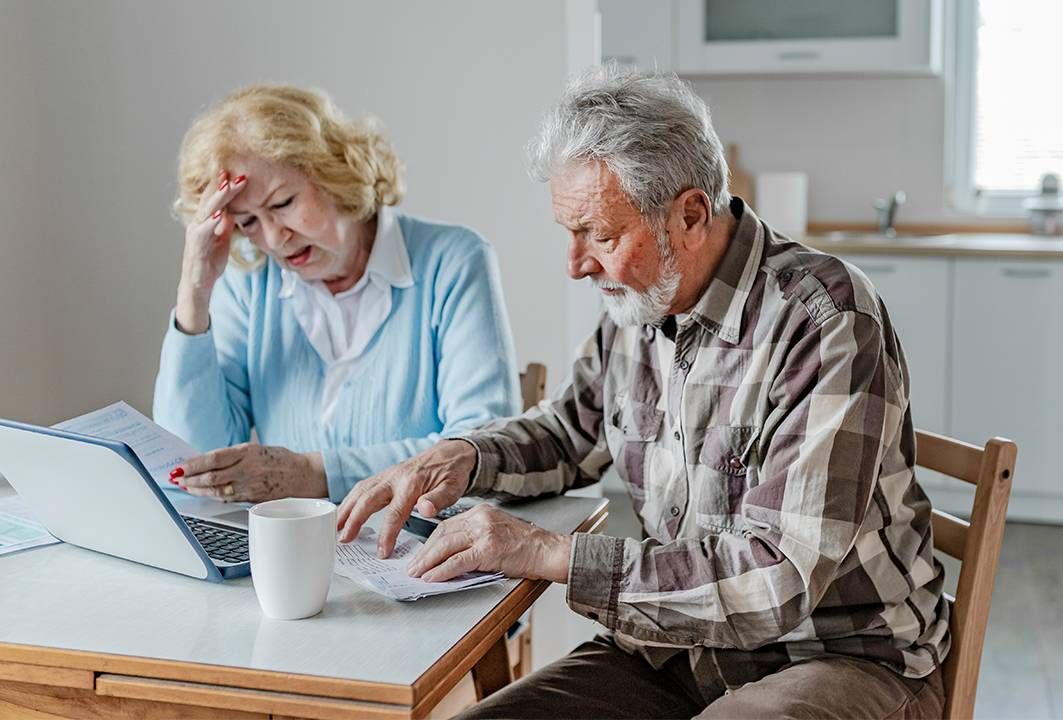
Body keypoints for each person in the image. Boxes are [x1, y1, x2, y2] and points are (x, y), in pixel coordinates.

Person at [337, 68, 948, 719]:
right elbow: (567, 435)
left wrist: (547, 552)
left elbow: (778, 580)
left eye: (598, 235)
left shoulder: (824, 319)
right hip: (679, 649)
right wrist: (459, 456)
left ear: (688, 215)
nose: (575, 264)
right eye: (568, 232)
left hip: (837, 653)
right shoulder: (640, 302)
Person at [154, 84, 520, 504]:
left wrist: (315, 475)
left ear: (336, 173)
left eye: (283, 203)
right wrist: (194, 294)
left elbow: (481, 448)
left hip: (422, 551)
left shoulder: (452, 260)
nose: (274, 238)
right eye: (247, 221)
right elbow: (198, 465)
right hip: (293, 553)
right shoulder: (248, 280)